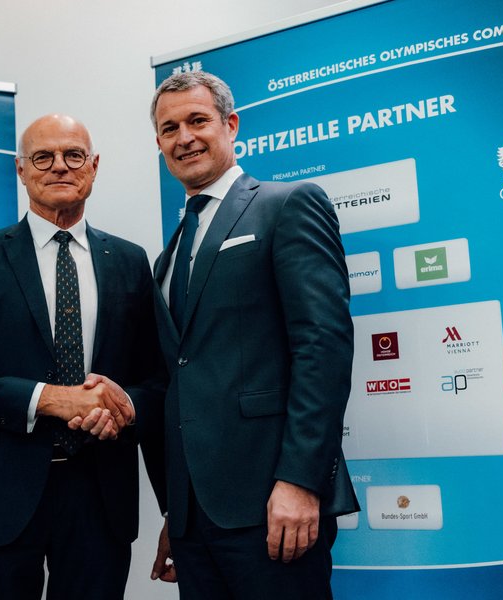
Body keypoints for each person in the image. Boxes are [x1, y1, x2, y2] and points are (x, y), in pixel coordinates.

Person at [0, 114, 165, 600]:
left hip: (100, 498)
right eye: (43, 157)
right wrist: (50, 399)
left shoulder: (131, 260)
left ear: (94, 166)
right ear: (21, 169)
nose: (59, 166)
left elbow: (159, 381)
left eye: (73, 155)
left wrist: (122, 407)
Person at [148, 71, 359, 599]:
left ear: (231, 124)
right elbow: (183, 380)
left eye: (197, 121)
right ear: (159, 143)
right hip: (196, 520)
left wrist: (301, 481)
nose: (184, 138)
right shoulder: (167, 256)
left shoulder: (288, 203)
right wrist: (177, 511)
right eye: (169, 129)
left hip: (274, 503)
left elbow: (322, 347)